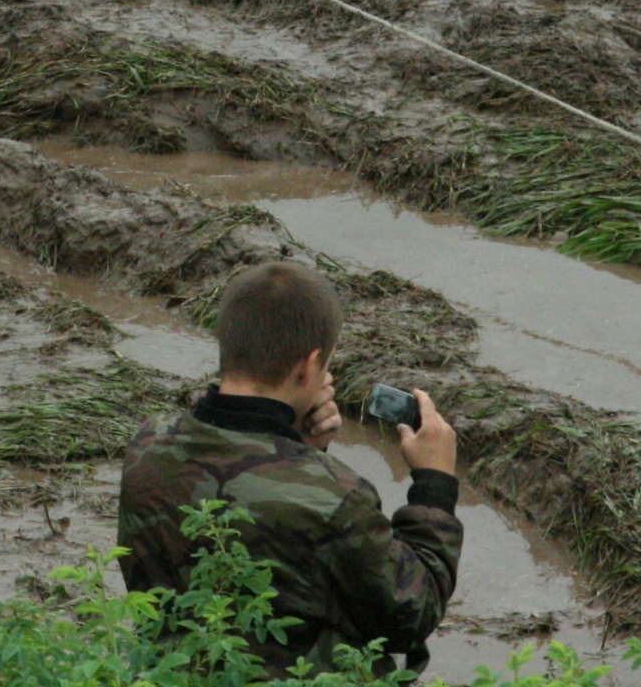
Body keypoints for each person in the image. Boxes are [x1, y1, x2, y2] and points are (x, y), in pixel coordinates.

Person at [116, 261, 462, 678]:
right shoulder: (336, 497)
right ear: (309, 364)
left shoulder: (148, 444)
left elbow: (231, 471)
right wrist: (434, 485)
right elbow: (412, 614)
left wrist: (291, 445)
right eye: (326, 366)